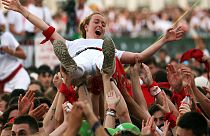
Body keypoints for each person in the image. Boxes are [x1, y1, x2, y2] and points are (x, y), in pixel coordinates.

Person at [1, 0, 185, 87]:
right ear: (86, 25)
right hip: (80, 58)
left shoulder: (108, 46)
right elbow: (46, 27)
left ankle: (107, 67)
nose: (101, 25)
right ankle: (73, 69)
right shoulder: (72, 43)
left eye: (104, 24)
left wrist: (164, 39)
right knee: (79, 67)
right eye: (97, 21)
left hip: (103, 57)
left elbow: (139, 56)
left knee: (103, 60)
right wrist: (22, 10)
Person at [0, 12, 30, 93]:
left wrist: (10, 51)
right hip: (3, 82)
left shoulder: (6, 36)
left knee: (16, 101)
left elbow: (24, 55)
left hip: (17, 76)